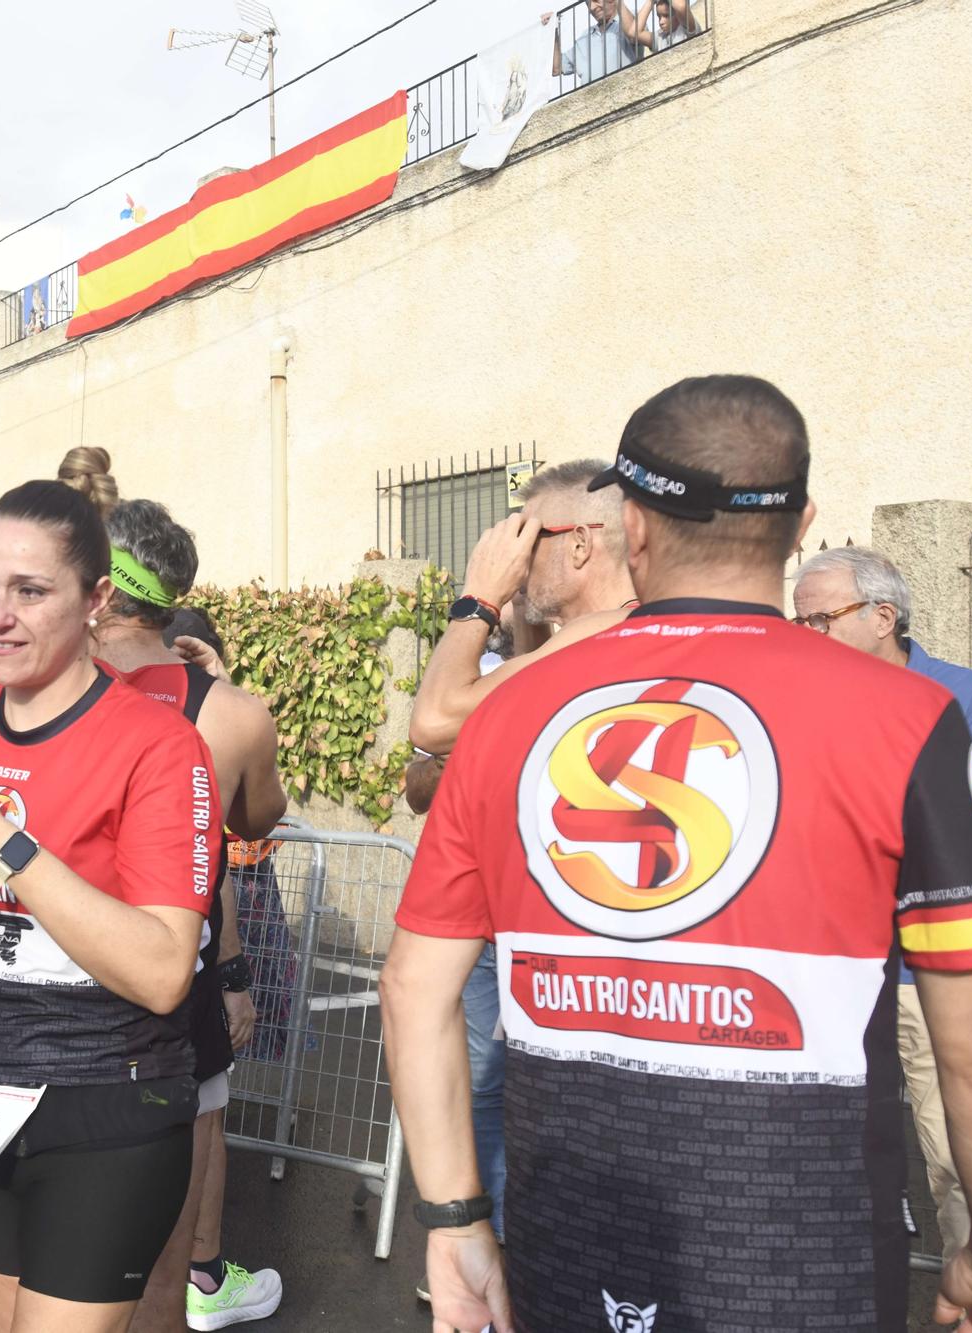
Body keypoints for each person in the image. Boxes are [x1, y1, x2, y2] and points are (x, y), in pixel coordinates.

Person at [381, 375, 972, 1333]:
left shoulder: (510, 712)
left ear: (632, 527)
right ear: (802, 523)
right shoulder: (911, 721)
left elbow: (411, 989)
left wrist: (456, 1220)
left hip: (566, 1241)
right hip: (807, 1252)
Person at [0, 477, 217, 1333]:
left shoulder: (158, 743)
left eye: (31, 591)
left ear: (96, 599)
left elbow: (162, 971)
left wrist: (7, 844)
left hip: (103, 1104)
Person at [404, 457, 635, 1262]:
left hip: (559, 944)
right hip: (573, 941)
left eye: (526, 536)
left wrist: (479, 597)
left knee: (510, 1096)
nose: (510, 550)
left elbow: (434, 718)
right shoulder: (608, 634)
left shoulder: (610, 634)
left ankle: (490, 1243)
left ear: (582, 546)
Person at [84, 496, 287, 1333]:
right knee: (167, 1237)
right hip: (175, 969)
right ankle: (199, 1281)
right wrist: (220, 684)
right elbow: (254, 824)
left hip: (47, 972)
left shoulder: (30, 685)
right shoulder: (233, 715)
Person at [793, 545, 972, 1270]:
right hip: (825, 967)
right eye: (800, 622)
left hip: (924, 973)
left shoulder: (962, 692)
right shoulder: (804, 696)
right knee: (837, 1150)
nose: (807, 636)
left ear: (882, 616)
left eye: (820, 619)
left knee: (958, 1157)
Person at [545, 0, 649, 88]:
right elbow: (556, 68)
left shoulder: (629, 21)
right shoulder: (585, 37)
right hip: (590, 106)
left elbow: (633, 34)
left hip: (625, 94)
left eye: (595, 0)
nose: (592, 7)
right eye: (588, 4)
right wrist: (552, 31)